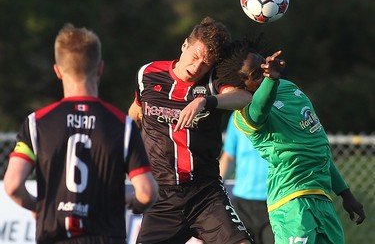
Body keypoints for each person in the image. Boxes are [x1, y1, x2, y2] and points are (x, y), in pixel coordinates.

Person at [3, 24, 159, 244]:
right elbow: (147, 191)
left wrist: (39, 206)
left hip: (54, 235)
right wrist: (135, 202)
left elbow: (12, 185)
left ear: (57, 70)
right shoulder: (122, 125)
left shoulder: (37, 123)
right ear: (100, 68)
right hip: (105, 237)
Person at [215, 36, 366, 244]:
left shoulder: (289, 89)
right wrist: (270, 79)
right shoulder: (245, 115)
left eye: (263, 65)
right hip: (291, 201)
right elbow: (260, 109)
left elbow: (317, 150)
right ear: (242, 86)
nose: (265, 72)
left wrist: (346, 194)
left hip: (321, 198)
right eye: (256, 74)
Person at [128, 16, 253, 244]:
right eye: (195, 56)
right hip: (162, 197)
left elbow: (244, 98)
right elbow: (134, 115)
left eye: (206, 63)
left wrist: (206, 101)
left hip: (205, 193)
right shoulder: (148, 74)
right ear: (185, 44)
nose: (197, 68)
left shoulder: (212, 83)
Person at [220, 111, 274, 244]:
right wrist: (215, 187)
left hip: (274, 204)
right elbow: (229, 157)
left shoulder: (282, 113)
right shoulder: (237, 116)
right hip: (242, 205)